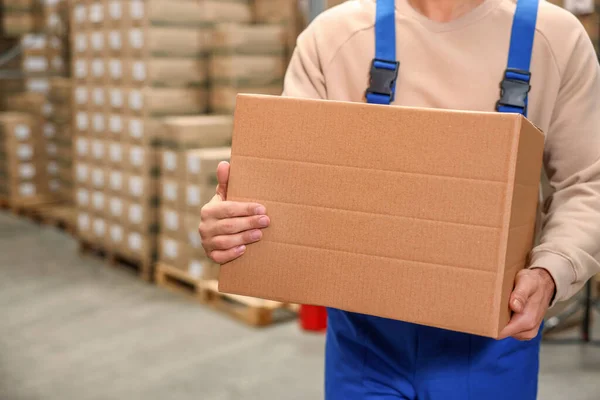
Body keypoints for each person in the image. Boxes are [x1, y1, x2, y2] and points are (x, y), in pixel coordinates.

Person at [198, 0, 600, 398]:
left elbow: (588, 183)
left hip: (493, 343)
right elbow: (289, 185)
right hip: (364, 345)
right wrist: (237, 225)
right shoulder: (334, 36)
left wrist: (550, 272)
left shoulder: (554, 38)